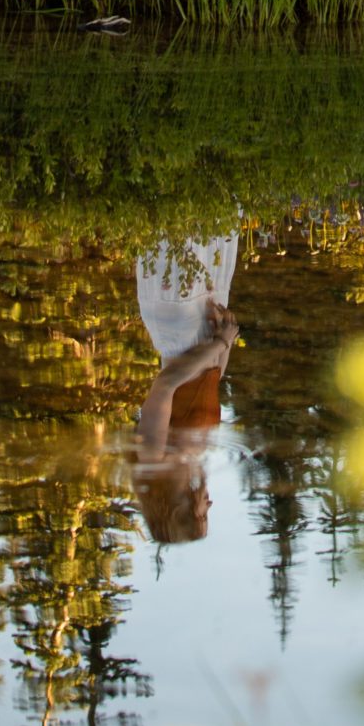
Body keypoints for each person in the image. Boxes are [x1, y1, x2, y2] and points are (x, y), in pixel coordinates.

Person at [131, 232, 240, 545]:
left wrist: (220, 342)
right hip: (205, 336)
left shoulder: (154, 459)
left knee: (178, 233)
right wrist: (224, 339)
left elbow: (165, 386)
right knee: (214, 226)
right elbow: (211, 380)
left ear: (183, 511)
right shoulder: (194, 459)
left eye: (203, 514)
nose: (209, 505)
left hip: (179, 330)